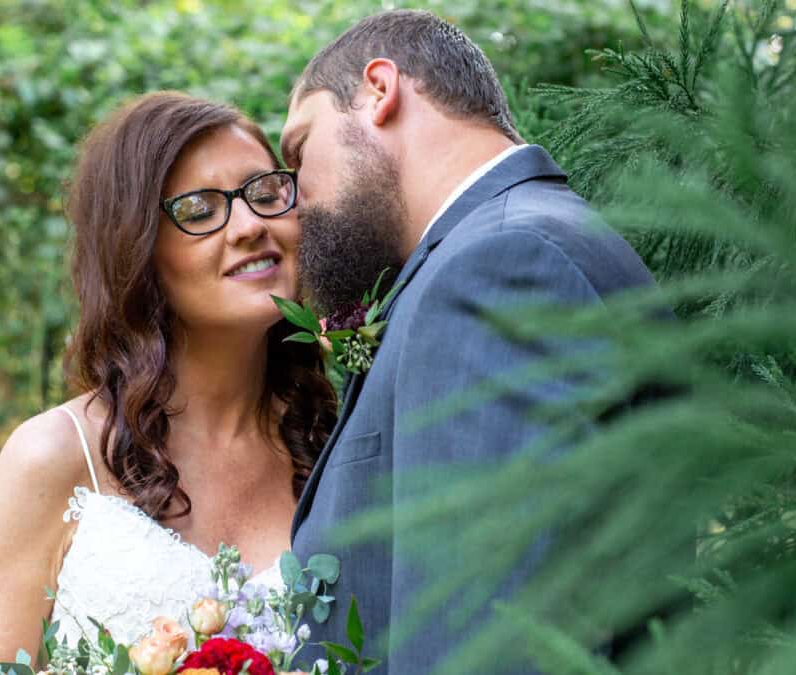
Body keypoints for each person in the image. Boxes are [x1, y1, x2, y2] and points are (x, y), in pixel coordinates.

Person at [282, 9, 660, 673]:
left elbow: (495, 643)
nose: (295, 198)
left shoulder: (499, 266)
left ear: (379, 90)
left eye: (299, 149)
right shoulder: (526, 240)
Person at [0, 92, 336, 671]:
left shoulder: (341, 439)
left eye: (266, 193)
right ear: (137, 249)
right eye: (201, 209)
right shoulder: (52, 455)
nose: (252, 225)